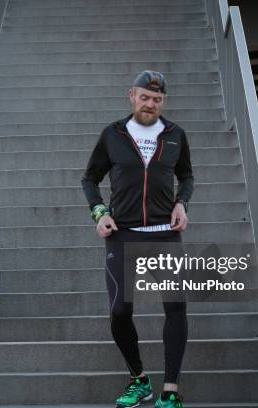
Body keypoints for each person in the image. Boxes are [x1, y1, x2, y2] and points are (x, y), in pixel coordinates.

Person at [82, 71, 194, 408]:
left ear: (163, 101)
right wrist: (100, 212)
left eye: (157, 100)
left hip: (165, 234)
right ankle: (139, 379)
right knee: (119, 312)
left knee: (175, 307)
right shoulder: (113, 135)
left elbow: (186, 175)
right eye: (145, 98)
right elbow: (89, 179)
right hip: (123, 235)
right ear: (132, 95)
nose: (150, 104)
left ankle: (170, 391)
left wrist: (182, 203)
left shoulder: (175, 134)